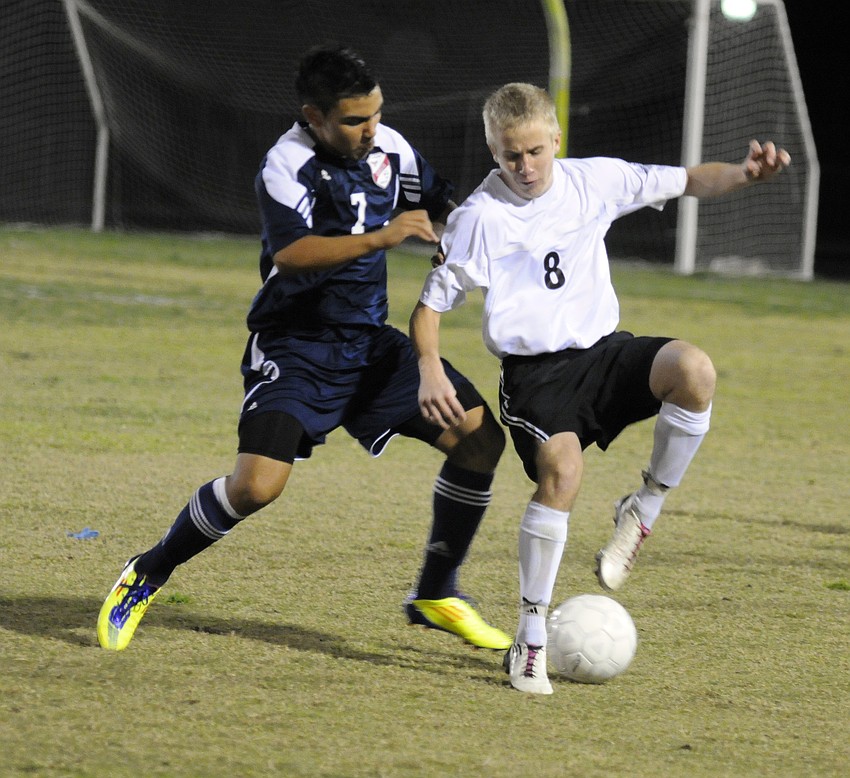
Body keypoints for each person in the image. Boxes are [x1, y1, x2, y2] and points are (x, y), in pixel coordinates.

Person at [97, 45, 511, 653]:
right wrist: (382, 238)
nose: (370, 130)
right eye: (353, 120)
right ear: (314, 116)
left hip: (369, 346)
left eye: (375, 114)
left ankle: (436, 591)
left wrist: (468, 238)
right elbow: (292, 255)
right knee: (256, 488)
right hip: (296, 347)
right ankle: (149, 569)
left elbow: (443, 202)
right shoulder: (285, 165)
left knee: (479, 440)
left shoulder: (390, 148)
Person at [410, 82, 791, 694]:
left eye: (536, 151)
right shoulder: (479, 219)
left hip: (605, 352)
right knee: (562, 472)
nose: (526, 167)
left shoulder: (596, 180)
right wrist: (429, 365)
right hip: (536, 377)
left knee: (694, 371)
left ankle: (644, 509)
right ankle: (531, 640)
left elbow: (691, 180)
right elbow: (428, 308)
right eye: (511, 156)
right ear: (493, 151)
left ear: (556, 139)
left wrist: (746, 174)